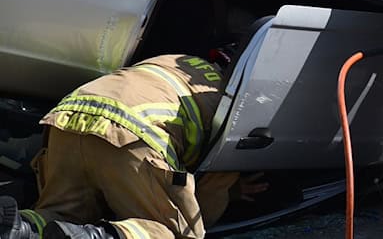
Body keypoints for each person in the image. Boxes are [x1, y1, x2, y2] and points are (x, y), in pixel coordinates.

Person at [0, 53, 268, 239]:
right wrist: (227, 193)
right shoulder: (235, 103)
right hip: (130, 132)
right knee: (173, 232)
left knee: (63, 215)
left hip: (69, 118)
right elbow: (202, 212)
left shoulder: (178, 62)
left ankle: (16, 226)